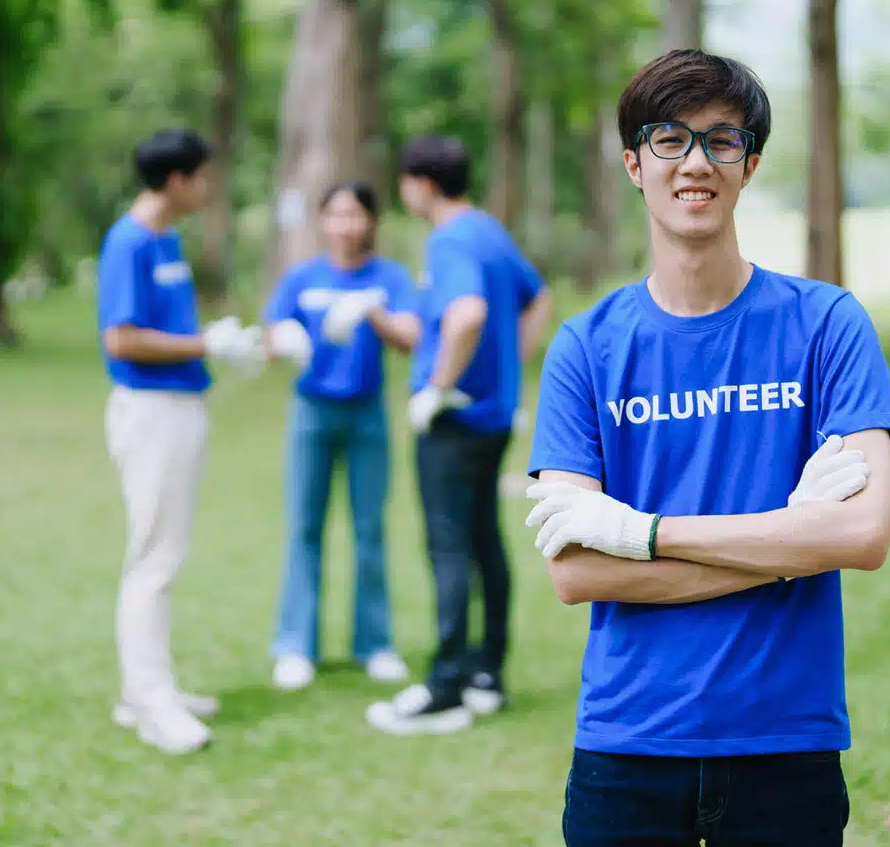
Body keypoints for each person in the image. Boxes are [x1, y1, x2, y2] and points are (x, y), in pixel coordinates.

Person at [524, 49, 890, 847]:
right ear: (635, 163)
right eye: (669, 139)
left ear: (750, 165)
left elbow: (861, 536)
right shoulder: (585, 346)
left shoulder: (828, 324)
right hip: (626, 743)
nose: (695, 162)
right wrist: (789, 539)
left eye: (722, 140)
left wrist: (641, 533)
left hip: (786, 740)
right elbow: (577, 570)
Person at [366, 135, 552, 736]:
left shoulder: (448, 239)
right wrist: (508, 370)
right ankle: (486, 674)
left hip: (454, 422)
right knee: (484, 544)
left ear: (418, 183)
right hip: (494, 416)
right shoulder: (490, 231)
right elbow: (538, 299)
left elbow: (466, 314)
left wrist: (437, 387)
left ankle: (445, 686)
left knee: (448, 547)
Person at [97, 128, 265, 755]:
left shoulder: (166, 238)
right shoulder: (130, 241)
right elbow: (122, 338)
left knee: (164, 549)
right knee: (154, 558)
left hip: (183, 406)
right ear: (174, 180)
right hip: (151, 412)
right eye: (200, 176)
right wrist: (206, 344)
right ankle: (149, 703)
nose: (206, 186)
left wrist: (217, 344)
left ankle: (144, 688)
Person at [264, 180, 420, 692]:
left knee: (369, 528)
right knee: (304, 527)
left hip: (366, 414)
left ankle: (374, 643)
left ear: (371, 221)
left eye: (355, 214)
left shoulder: (389, 278)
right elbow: (271, 332)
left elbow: (412, 337)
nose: (345, 225)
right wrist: (283, 339)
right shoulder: (302, 277)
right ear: (322, 221)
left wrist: (372, 314)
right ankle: (294, 646)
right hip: (311, 411)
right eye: (335, 214)